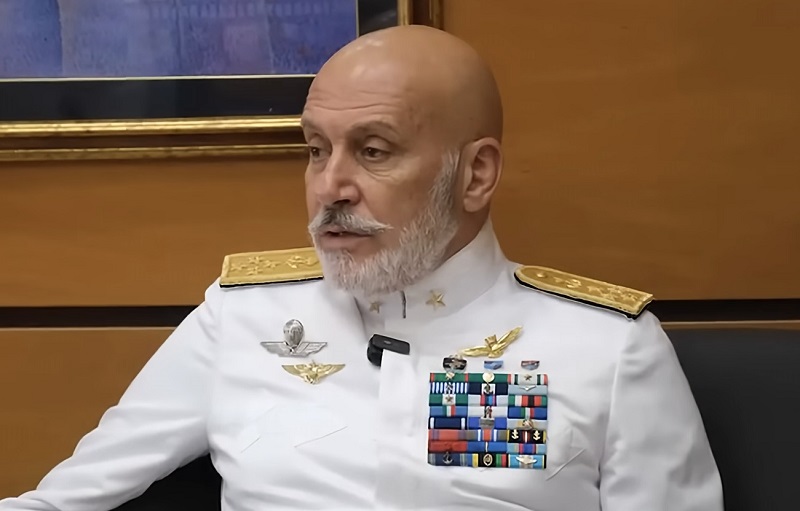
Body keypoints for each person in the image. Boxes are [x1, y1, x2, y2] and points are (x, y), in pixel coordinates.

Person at [0, 25, 722, 511]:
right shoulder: (241, 315)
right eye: (317, 149)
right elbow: (64, 500)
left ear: (475, 175)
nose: (330, 187)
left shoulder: (608, 348)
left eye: (374, 151)